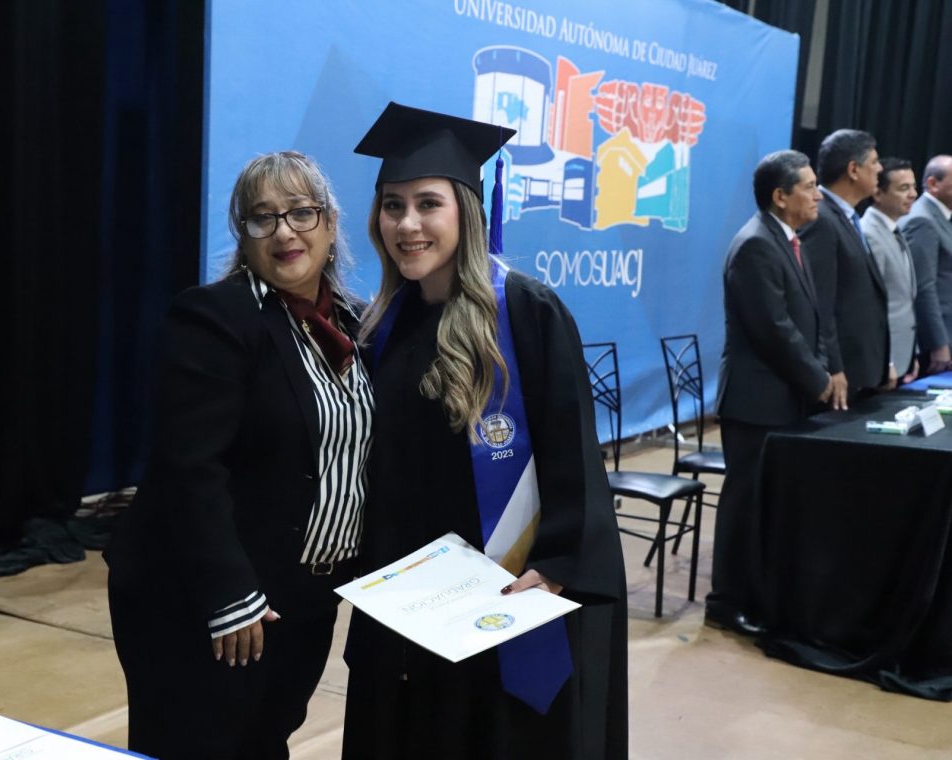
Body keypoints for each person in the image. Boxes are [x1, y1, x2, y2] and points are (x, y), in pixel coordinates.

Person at [342, 102, 627, 759]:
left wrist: (554, 566)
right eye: (392, 206)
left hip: (501, 593)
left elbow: (572, 453)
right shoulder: (382, 325)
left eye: (428, 204)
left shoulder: (525, 312)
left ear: (465, 211)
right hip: (410, 602)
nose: (407, 224)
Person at [105, 151, 373, 759]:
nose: (284, 231)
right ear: (243, 235)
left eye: (300, 212)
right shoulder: (216, 317)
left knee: (265, 742)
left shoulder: (356, 325)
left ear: (331, 223)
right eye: (262, 217)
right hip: (207, 598)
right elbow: (188, 468)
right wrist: (228, 594)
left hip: (306, 594)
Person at [709, 150, 832, 636]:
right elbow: (774, 330)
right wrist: (819, 381)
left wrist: (822, 369)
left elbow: (809, 318)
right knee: (744, 504)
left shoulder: (788, 239)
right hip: (755, 401)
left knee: (766, 505)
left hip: (782, 398)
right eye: (809, 187)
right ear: (780, 196)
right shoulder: (755, 245)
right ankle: (726, 602)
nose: (818, 195)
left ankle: (757, 594)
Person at [799, 129, 888, 405]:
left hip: (862, 367)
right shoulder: (821, 220)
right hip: (842, 374)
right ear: (853, 170)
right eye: (874, 162)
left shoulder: (848, 217)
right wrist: (833, 367)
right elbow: (820, 304)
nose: (880, 169)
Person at [861, 157, 919, 386]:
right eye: (903, 188)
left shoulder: (895, 228)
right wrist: (888, 361)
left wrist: (912, 351)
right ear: (877, 193)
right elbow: (870, 306)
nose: (913, 194)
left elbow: (905, 298)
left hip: (902, 354)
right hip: (884, 360)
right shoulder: (869, 233)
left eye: (913, 187)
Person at [900, 154, 952, 375]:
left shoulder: (941, 217)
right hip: (936, 346)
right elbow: (924, 287)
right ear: (933, 184)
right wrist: (938, 344)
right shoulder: (922, 220)